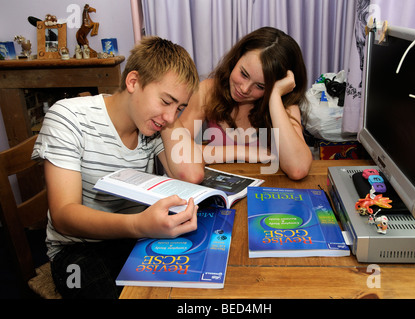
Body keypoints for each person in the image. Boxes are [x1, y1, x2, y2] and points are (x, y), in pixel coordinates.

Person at [32, 36, 204, 298]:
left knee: (190, 288)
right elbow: (63, 217)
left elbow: (190, 174)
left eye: (180, 108)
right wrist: (139, 225)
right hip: (77, 251)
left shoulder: (153, 125)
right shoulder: (67, 117)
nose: (171, 116)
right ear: (133, 81)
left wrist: (169, 115)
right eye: (165, 100)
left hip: (136, 237)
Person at [179, 27, 313, 180]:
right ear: (236, 58)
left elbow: (298, 169)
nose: (244, 89)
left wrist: (274, 97)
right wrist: (242, 152)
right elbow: (177, 150)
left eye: (260, 86)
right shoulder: (208, 91)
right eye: (243, 74)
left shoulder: (285, 105)